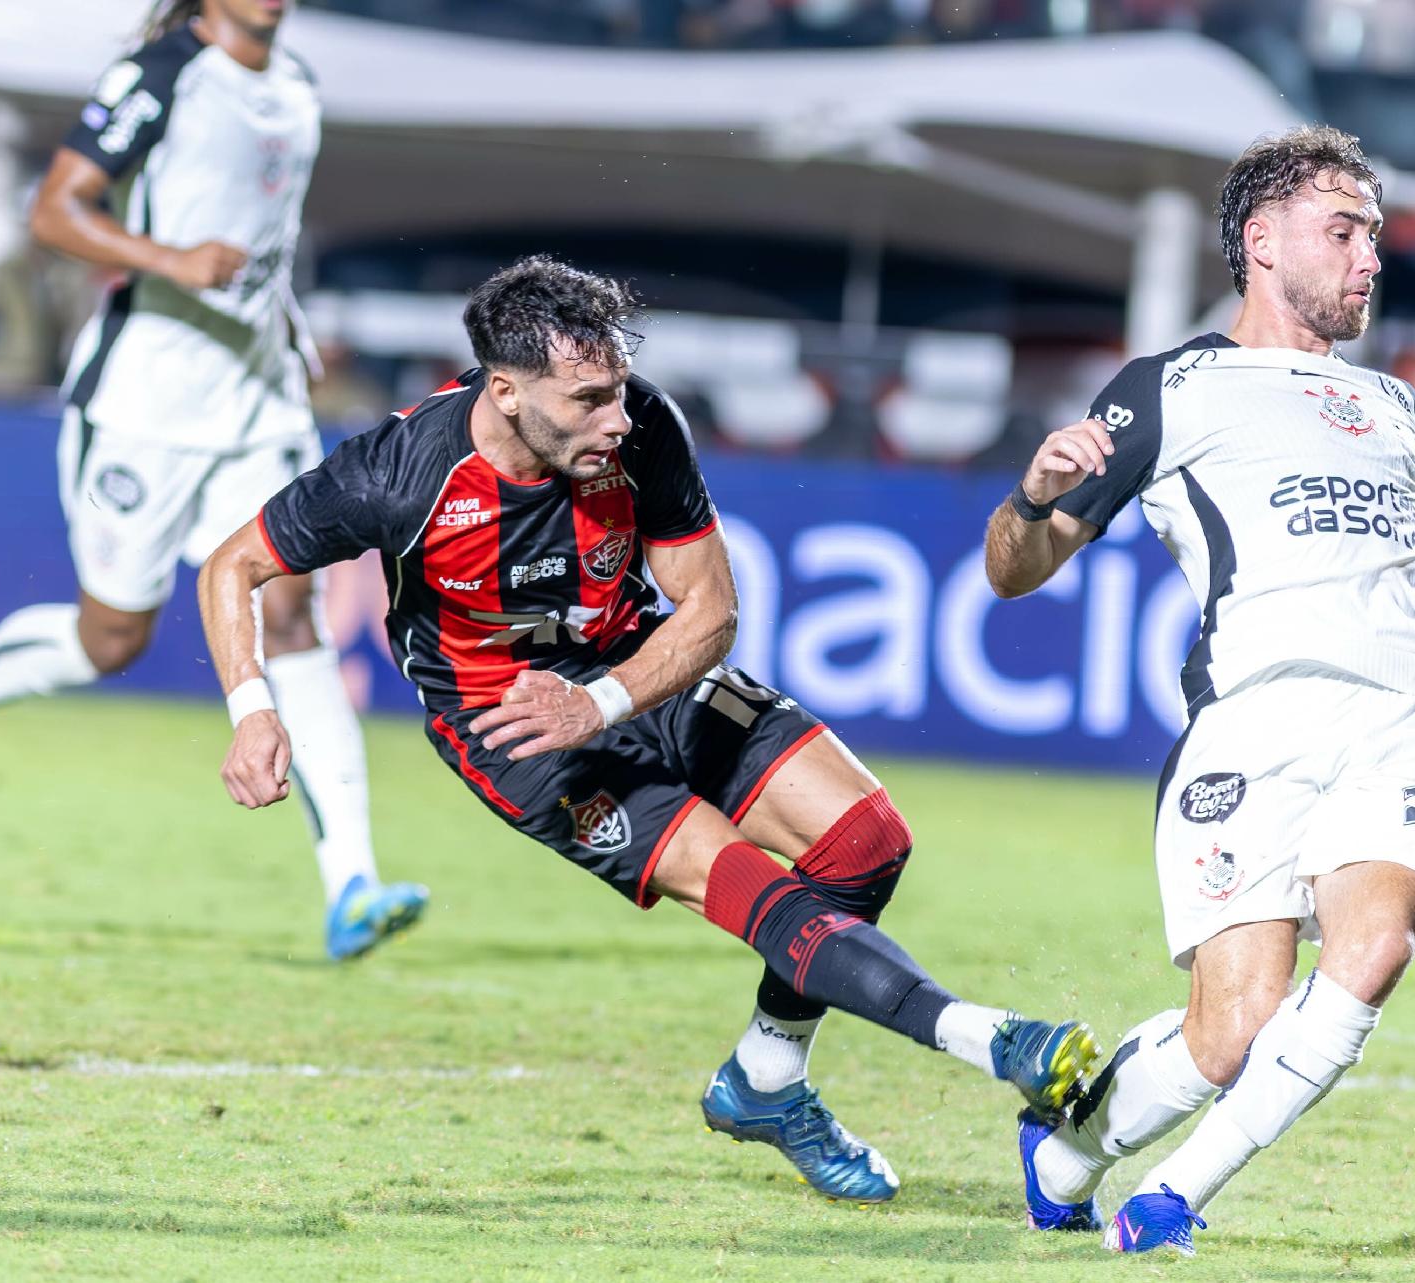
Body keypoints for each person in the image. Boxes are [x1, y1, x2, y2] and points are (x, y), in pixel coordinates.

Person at [196, 255, 1102, 1203]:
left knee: (865, 842)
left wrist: (606, 697)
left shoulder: (645, 429)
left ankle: (765, 1078)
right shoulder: (399, 473)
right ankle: (991, 1038)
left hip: (640, 674)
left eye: (618, 391)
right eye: (587, 399)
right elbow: (233, 567)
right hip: (515, 734)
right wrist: (251, 711)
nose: (616, 419)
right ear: (504, 392)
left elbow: (710, 609)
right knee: (758, 895)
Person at [984, 125, 1415, 1254]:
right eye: (1345, 231)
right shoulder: (1169, 390)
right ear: (1262, 243)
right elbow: (1016, 573)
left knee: (1373, 948)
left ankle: (1172, 1198)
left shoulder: (1394, 409)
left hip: (1400, 732)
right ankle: (1067, 1151)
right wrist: (1028, 498)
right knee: (1233, 1028)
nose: (1371, 258)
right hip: (1252, 731)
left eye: (1374, 234)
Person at [0, 0, 428, 961]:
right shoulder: (163, 72)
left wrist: (284, 330)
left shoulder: (297, 87)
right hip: (143, 407)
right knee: (112, 637)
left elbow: (265, 244)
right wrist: (169, 259)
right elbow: (55, 209)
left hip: (256, 406)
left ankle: (353, 884)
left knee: (290, 613)